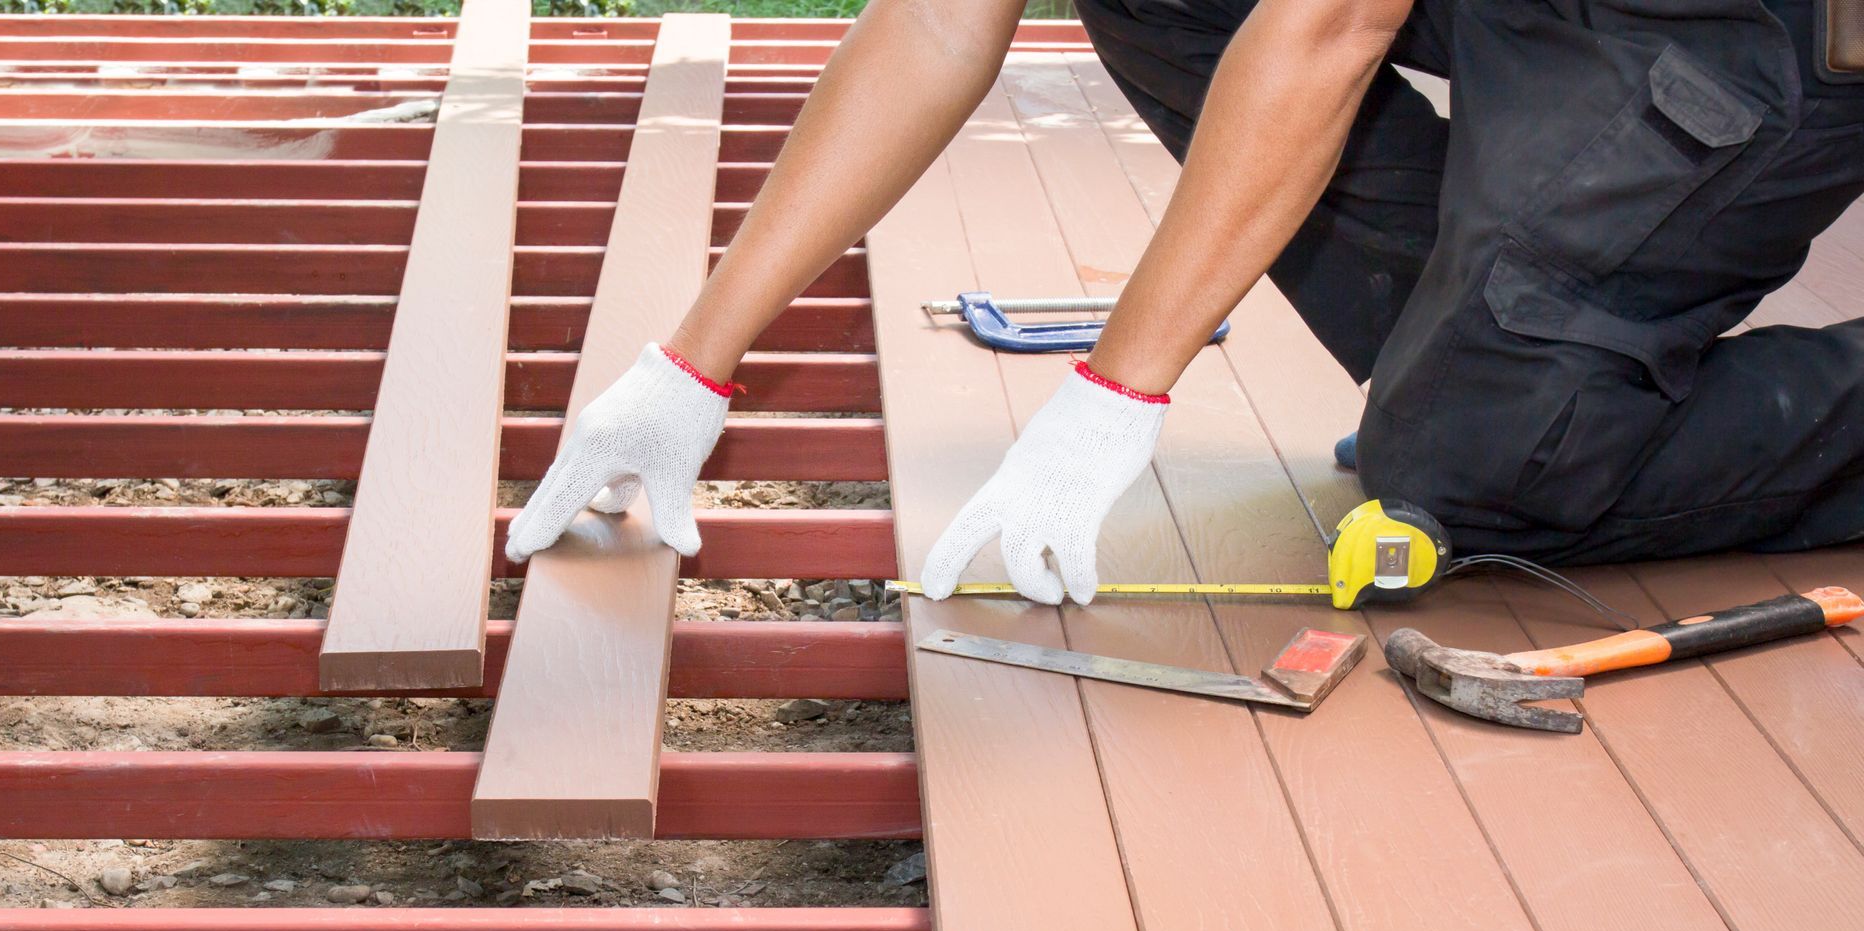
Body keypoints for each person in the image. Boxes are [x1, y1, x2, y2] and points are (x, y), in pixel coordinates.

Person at [508, 0, 1864, 606]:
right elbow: (936, 19)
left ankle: (1495, 399)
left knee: (1471, 471)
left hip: (1747, 35)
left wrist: (1111, 396)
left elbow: (1331, 24)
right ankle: (1489, 346)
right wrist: (690, 365)